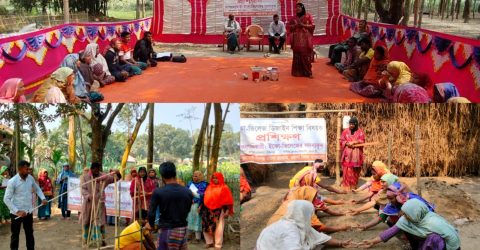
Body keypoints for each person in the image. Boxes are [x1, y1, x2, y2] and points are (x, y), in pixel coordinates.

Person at [359, 199, 460, 250]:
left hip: (447, 247)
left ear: (416, 213)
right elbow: (390, 232)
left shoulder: (433, 221)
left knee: (434, 238)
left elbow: (453, 238)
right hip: (423, 243)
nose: (406, 217)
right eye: (405, 214)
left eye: (408, 215)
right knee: (404, 228)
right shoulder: (405, 220)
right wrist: (372, 241)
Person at [257, 200, 355, 249]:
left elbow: (320, 237)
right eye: (309, 214)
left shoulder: (298, 224)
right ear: (303, 213)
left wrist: (341, 243)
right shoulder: (290, 229)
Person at [146, 162, 193, 250]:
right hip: (183, 230)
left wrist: (151, 225)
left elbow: (151, 212)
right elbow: (188, 209)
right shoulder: (188, 191)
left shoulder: (158, 192)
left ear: (162, 176)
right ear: (175, 173)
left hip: (167, 230)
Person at [3, 160, 47, 250]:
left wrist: (43, 198)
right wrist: (17, 211)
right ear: (20, 169)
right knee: (15, 235)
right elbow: (6, 199)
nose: (28, 171)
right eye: (26, 169)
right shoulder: (12, 181)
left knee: (30, 234)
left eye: (29, 169)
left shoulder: (30, 178)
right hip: (16, 214)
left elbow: (37, 189)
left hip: (28, 212)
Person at [268, 186, 351, 233]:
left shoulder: (296, 192)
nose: (316, 199)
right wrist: (339, 228)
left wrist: (339, 207)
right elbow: (320, 227)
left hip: (268, 230)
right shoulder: (299, 208)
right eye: (314, 198)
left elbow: (321, 202)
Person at [81, 162, 121, 246]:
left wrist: (117, 173)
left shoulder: (103, 176)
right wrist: (88, 196)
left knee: (100, 222)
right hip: (89, 203)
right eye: (95, 171)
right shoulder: (85, 177)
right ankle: (86, 240)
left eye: (98, 170)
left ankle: (101, 240)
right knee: (87, 221)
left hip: (100, 203)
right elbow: (83, 189)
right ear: (91, 169)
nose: (96, 172)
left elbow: (115, 178)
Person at [202, 172, 234, 249]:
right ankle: (209, 242)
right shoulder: (209, 187)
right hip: (207, 210)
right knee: (206, 226)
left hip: (219, 210)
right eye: (213, 178)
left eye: (216, 178)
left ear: (220, 178)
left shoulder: (224, 188)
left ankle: (218, 244)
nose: (215, 179)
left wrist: (227, 211)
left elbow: (228, 201)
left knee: (219, 228)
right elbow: (205, 198)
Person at [289, 2, 315, 78]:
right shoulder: (293, 18)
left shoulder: (308, 16)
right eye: (296, 7)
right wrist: (296, 25)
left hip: (305, 39)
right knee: (297, 55)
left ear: (302, 8)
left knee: (305, 55)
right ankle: (297, 72)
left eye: (299, 7)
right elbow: (290, 28)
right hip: (296, 40)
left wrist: (303, 25)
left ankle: (308, 72)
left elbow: (312, 26)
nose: (297, 9)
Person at [340, 117, 365, 191]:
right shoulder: (345, 132)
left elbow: (362, 141)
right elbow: (342, 141)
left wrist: (354, 142)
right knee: (347, 170)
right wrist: (347, 143)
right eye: (350, 124)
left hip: (356, 155)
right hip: (347, 154)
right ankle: (346, 187)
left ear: (356, 124)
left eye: (352, 124)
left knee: (355, 170)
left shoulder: (360, 132)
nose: (351, 125)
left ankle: (353, 186)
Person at [186, 170, 208, 243]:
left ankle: (197, 238)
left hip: (198, 205)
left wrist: (197, 202)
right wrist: (189, 199)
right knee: (189, 219)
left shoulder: (204, 184)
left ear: (200, 176)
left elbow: (203, 196)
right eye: (194, 175)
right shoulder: (190, 183)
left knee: (197, 220)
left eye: (196, 175)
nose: (194, 177)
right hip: (189, 204)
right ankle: (188, 235)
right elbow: (186, 192)